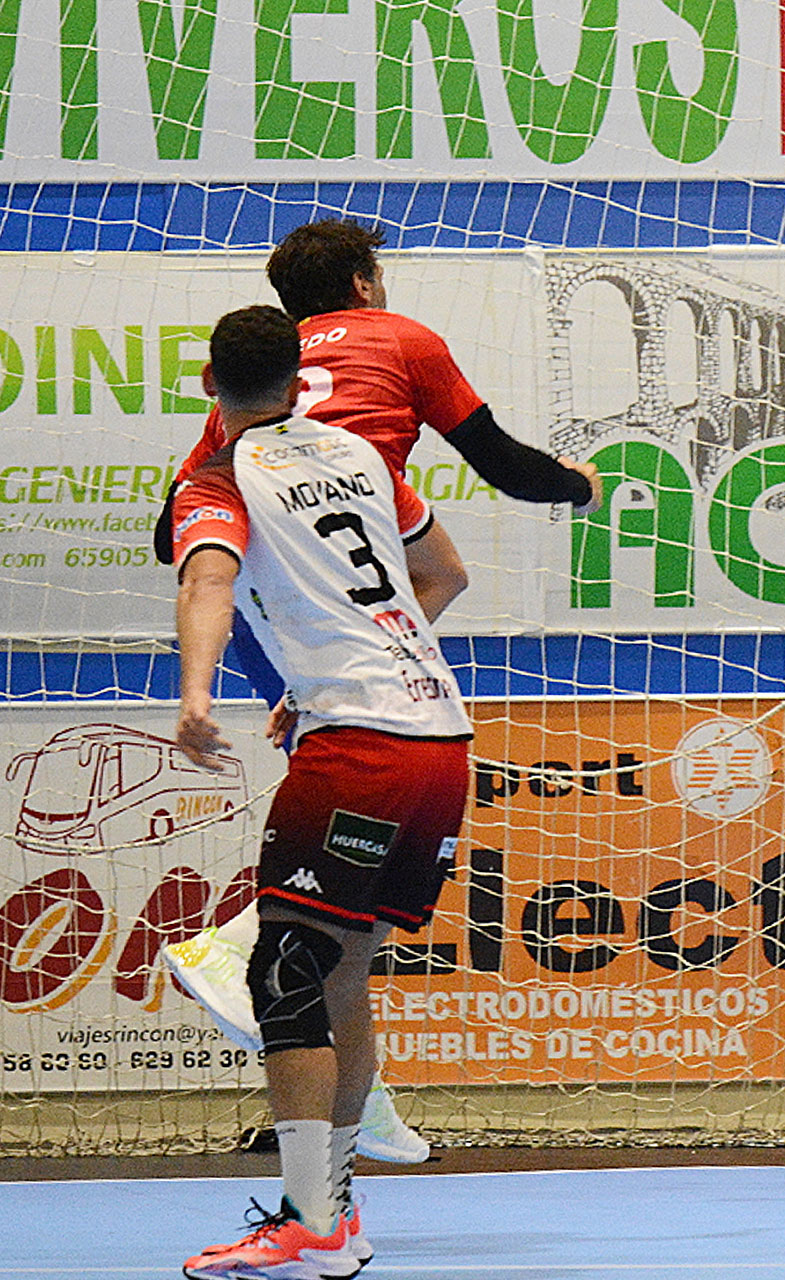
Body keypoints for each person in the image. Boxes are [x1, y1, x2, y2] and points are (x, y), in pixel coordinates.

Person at [156, 218, 603, 1163]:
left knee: (340, 882)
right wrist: (580, 486)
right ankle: (236, 951)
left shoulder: (254, 396)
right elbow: (508, 471)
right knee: (331, 886)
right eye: (381, 276)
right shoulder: (401, 345)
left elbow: (181, 535)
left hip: (267, 610)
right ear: (364, 283)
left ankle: (359, 1113)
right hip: (344, 608)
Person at [173, 305, 476, 1278]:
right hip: (441, 741)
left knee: (285, 970)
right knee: (340, 972)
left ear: (211, 389)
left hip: (360, 747)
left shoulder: (217, 476)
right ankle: (335, 1216)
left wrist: (197, 694)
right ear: (300, 379)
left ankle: (306, 1216)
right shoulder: (357, 455)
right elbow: (445, 572)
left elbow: (207, 584)